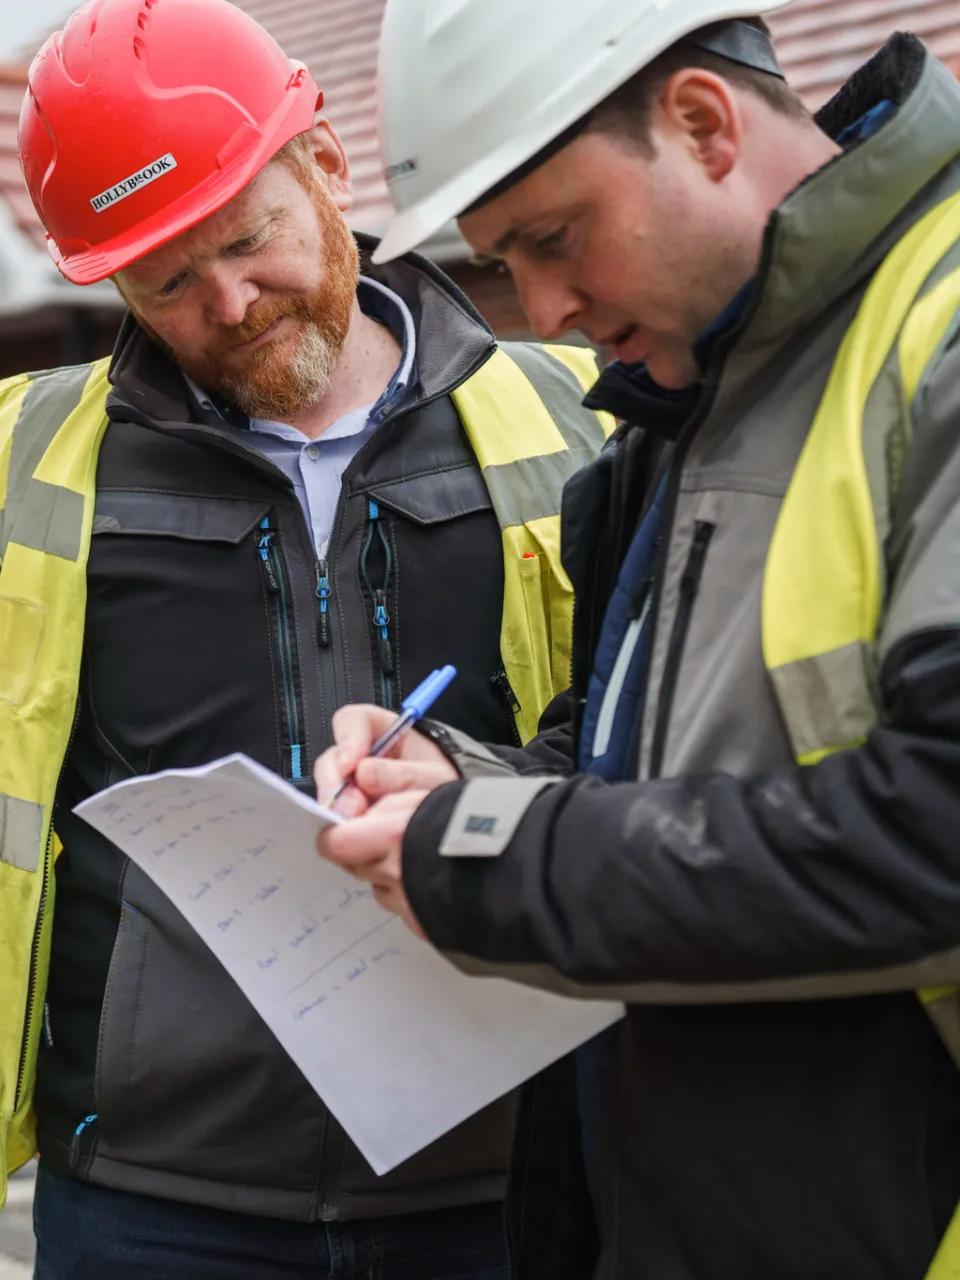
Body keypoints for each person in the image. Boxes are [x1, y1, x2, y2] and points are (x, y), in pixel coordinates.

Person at [315, 3, 960, 1277]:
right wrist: (471, 788)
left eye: (554, 240)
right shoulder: (686, 406)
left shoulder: (931, 336)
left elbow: (939, 825)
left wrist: (495, 851)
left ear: (706, 124)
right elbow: (664, 780)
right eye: (506, 262)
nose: (543, 309)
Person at [0, 1, 613, 1276]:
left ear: (327, 164)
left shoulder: (581, 422)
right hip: (151, 1197)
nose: (226, 302)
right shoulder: (22, 460)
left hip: (498, 1172)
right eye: (166, 279)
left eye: (246, 236)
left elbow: (643, 751)